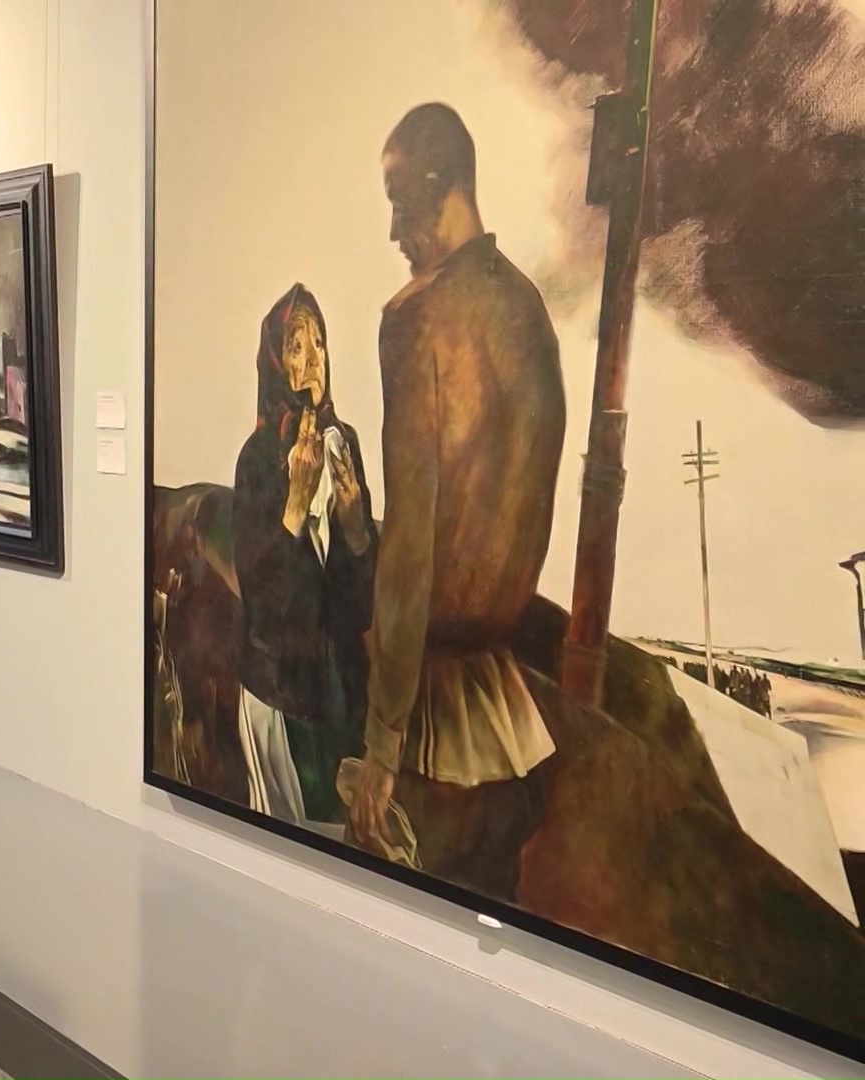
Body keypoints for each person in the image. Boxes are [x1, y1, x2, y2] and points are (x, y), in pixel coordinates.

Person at [345, 103, 567, 897]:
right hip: (511, 722)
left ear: (440, 186)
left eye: (398, 201)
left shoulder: (415, 320)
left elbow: (412, 540)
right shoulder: (527, 309)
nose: (393, 232)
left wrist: (382, 741)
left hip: (433, 731)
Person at [231, 284, 376, 827]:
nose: (313, 358)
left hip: (337, 689)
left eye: (318, 342)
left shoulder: (345, 443)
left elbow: (359, 607)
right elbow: (262, 607)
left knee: (336, 842)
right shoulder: (258, 458)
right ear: (276, 362)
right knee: (281, 835)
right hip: (278, 691)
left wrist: (356, 529)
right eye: (296, 346)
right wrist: (294, 506)